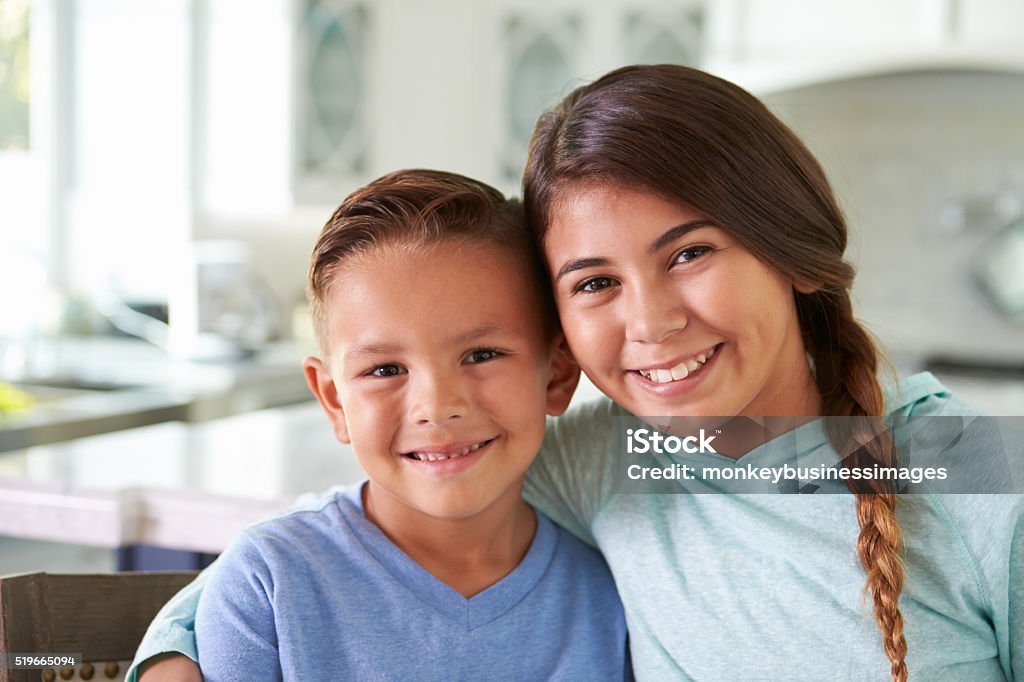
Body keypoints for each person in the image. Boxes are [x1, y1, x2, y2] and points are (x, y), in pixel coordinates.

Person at [132, 65, 1022, 682]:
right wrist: (175, 650)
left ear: (792, 248)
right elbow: (338, 539)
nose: (650, 322)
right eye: (595, 282)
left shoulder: (976, 477)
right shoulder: (613, 460)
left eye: (690, 253)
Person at [172, 169, 630, 681]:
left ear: (558, 374)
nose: (436, 406)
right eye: (385, 370)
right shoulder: (268, 584)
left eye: (481, 354)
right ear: (333, 400)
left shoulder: (609, 593)